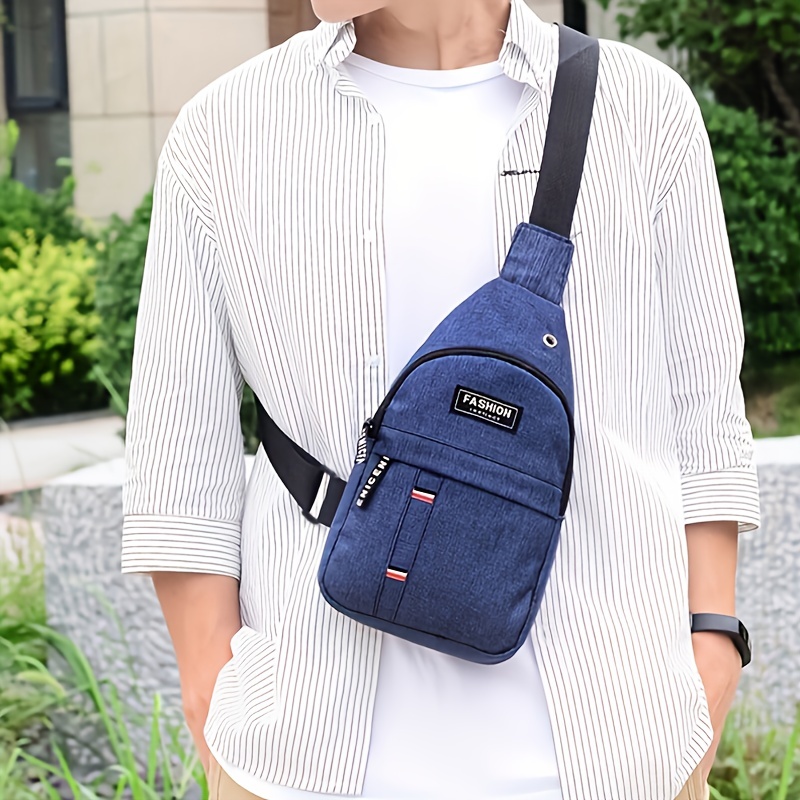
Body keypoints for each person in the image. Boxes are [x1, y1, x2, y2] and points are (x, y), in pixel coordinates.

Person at [120, 1, 761, 798]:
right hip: (306, 759)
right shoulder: (225, 132)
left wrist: (713, 644)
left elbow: (704, 413)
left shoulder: (644, 113)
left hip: (616, 750)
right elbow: (177, 452)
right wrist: (212, 695)